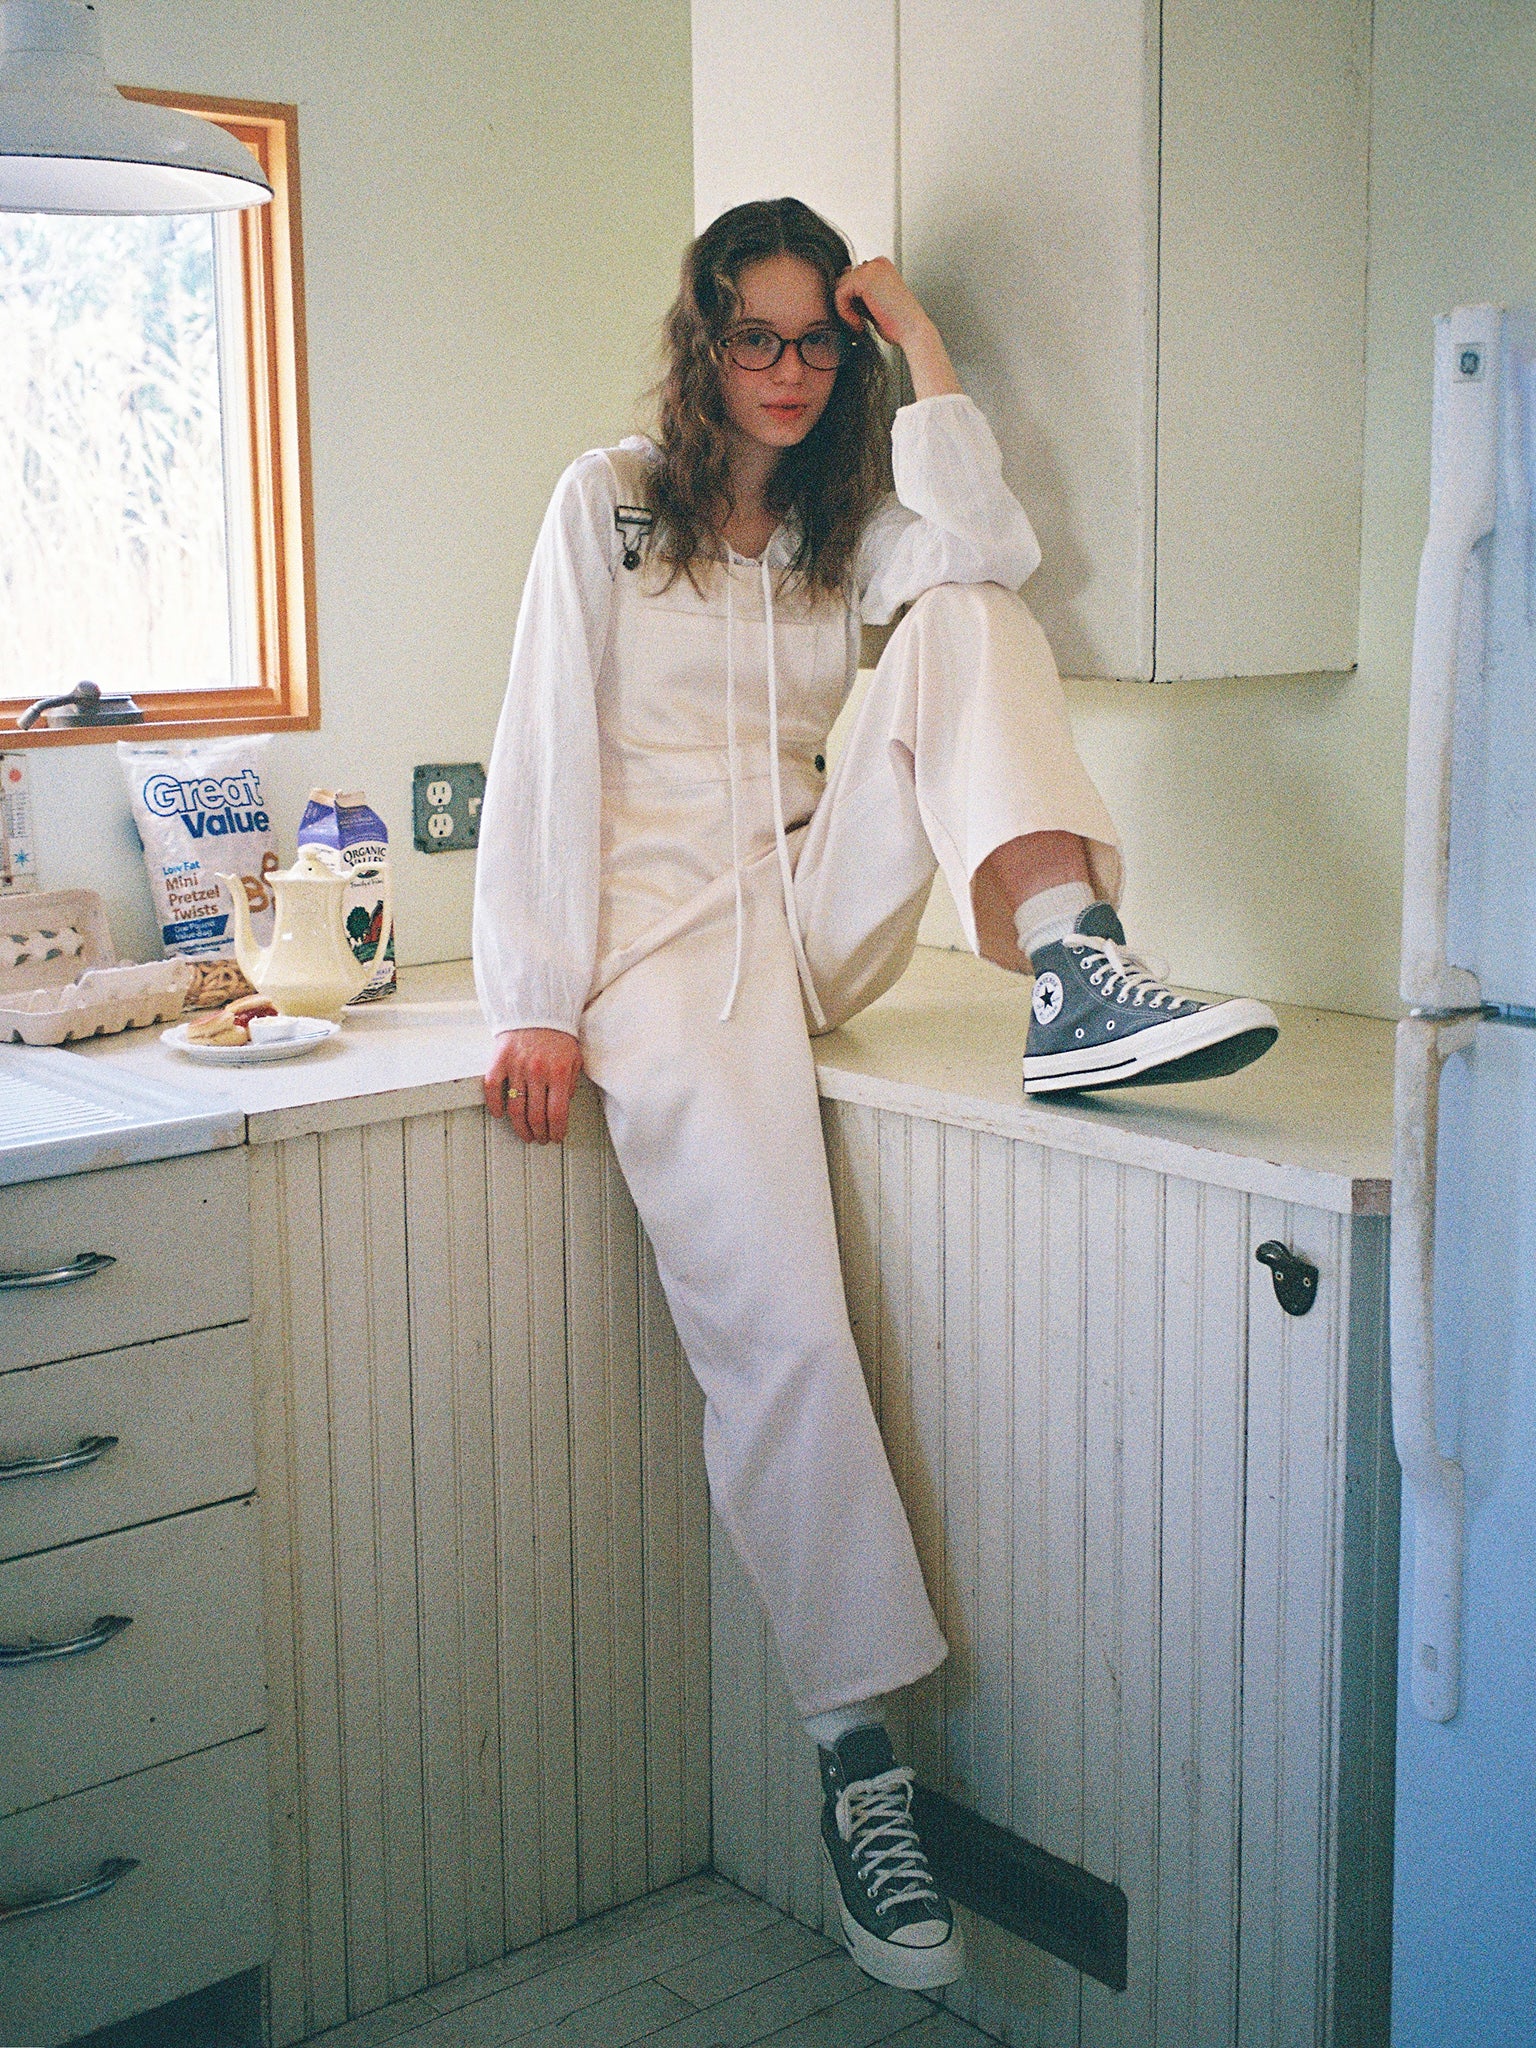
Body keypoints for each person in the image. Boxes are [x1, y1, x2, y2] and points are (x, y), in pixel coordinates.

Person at [474, 197, 1278, 1991]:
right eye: (755, 338)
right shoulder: (611, 504)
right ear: (703, 343)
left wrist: (919, 340)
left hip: (808, 911)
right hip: (660, 958)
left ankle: (1073, 959)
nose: (786, 371)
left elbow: (990, 550)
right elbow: (542, 738)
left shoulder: (849, 527)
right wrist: (533, 998)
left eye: (814, 343)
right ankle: (858, 1759)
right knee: (780, 1329)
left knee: (967, 614)